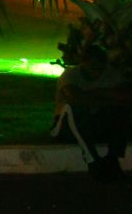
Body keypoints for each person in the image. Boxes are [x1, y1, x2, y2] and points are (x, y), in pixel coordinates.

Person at [52, 44, 131, 182]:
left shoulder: (109, 74)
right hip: (66, 128)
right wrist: (106, 96)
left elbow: (126, 95)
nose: (97, 71)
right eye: (93, 65)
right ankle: (92, 160)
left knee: (121, 109)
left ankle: (112, 159)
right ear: (84, 63)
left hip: (93, 125)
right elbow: (75, 98)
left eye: (100, 66)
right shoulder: (71, 75)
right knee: (73, 108)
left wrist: (97, 94)